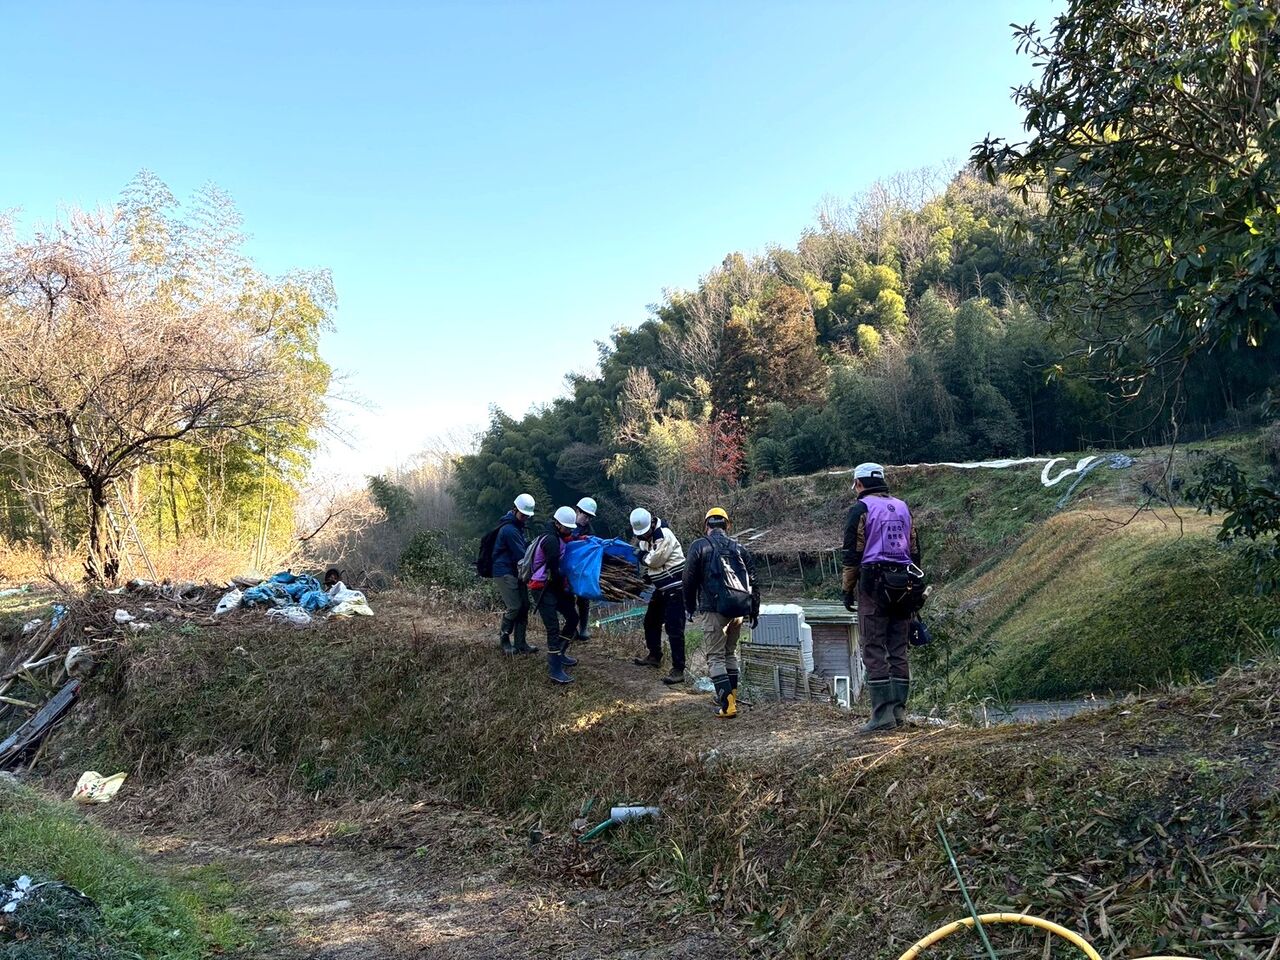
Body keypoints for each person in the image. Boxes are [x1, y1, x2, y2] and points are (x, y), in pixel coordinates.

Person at [841, 463, 922, 733]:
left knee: (874, 648)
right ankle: (898, 713)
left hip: (874, 585)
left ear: (859, 484)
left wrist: (847, 589)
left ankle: (881, 716)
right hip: (904, 584)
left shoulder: (861, 509)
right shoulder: (903, 507)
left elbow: (852, 554)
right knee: (898, 649)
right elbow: (915, 550)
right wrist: (916, 589)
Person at [683, 507, 760, 718]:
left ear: (706, 525)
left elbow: (688, 579)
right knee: (729, 653)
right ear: (728, 525)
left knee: (715, 657)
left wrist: (689, 607)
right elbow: (754, 580)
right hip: (738, 609)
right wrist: (754, 610)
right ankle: (731, 699)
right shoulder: (739, 547)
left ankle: (727, 707)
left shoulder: (699, 546)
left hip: (714, 608)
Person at [629, 507, 686, 685]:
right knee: (650, 621)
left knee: (674, 628)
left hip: (676, 587)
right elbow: (652, 566)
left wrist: (641, 556)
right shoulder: (645, 540)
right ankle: (654, 655)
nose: (642, 537)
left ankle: (678, 669)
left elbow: (654, 560)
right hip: (661, 587)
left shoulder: (664, 535)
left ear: (651, 524)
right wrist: (644, 580)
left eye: (644, 533)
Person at [528, 506, 583, 684]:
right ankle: (555, 669)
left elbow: (568, 543)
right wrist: (569, 585)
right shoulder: (550, 540)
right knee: (552, 628)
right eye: (567, 528)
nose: (569, 531)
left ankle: (560, 652)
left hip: (553, 586)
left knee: (573, 618)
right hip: (542, 587)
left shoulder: (559, 536)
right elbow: (554, 571)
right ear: (558, 524)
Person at [492, 493, 538, 656]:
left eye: (527, 515)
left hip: (515, 570)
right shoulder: (509, 530)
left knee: (524, 605)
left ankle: (521, 643)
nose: (525, 518)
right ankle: (504, 640)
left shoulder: (516, 526)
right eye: (523, 514)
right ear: (515, 509)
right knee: (515, 607)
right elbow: (522, 555)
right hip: (504, 571)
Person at [573, 496, 598, 642]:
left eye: (589, 517)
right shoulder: (567, 522)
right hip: (567, 568)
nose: (586, 519)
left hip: (582, 568)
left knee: (583, 599)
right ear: (578, 511)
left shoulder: (589, 530)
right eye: (585, 515)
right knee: (567, 600)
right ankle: (572, 628)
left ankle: (583, 628)